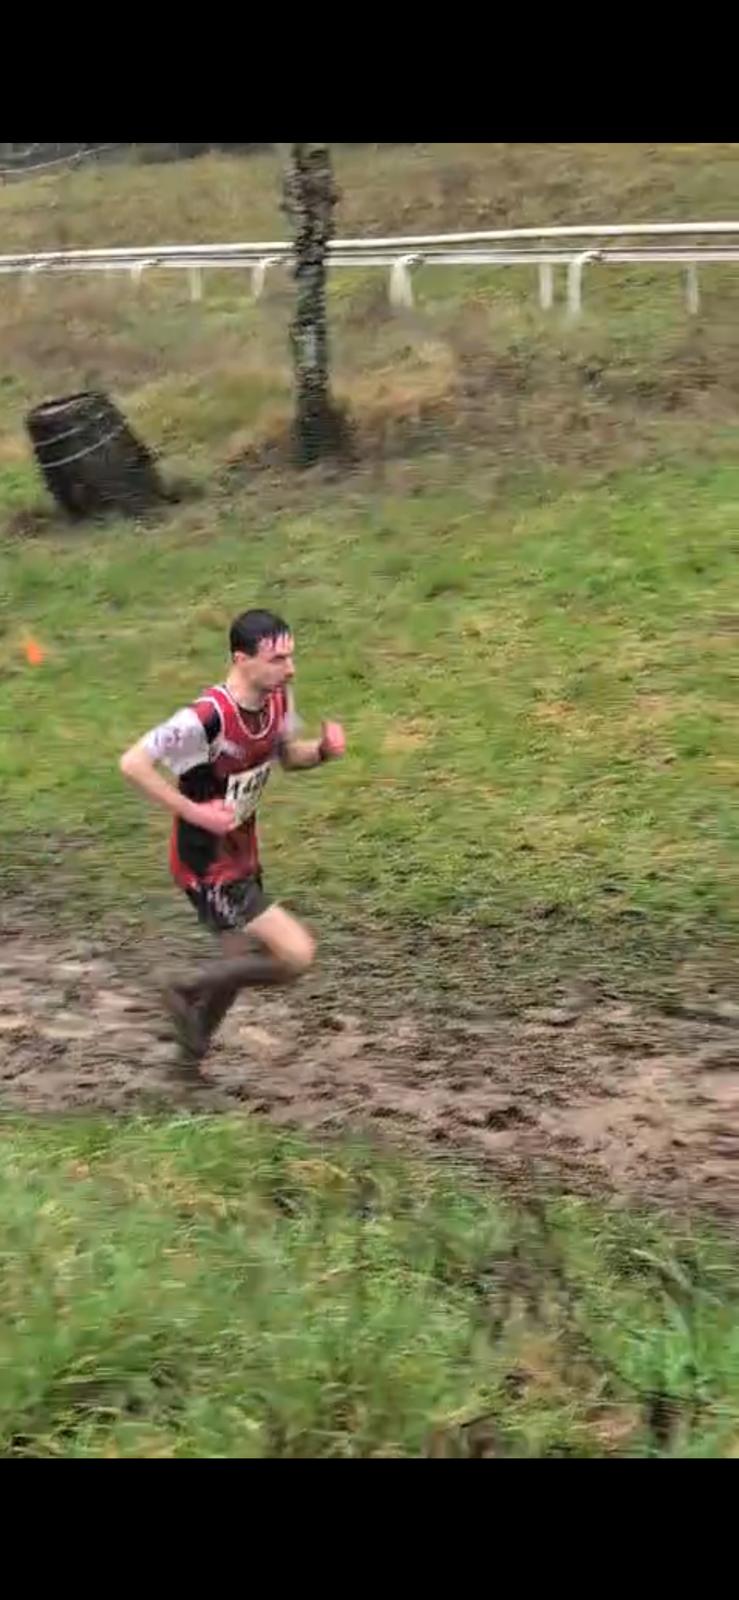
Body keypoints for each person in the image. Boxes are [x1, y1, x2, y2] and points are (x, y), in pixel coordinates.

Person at [119, 608, 346, 1076]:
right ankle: (183, 986)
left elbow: (287, 756)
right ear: (241, 659)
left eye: (291, 657)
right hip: (206, 862)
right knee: (295, 955)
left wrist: (322, 752)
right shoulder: (206, 718)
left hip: (241, 852)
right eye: (278, 659)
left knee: (235, 963)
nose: (290, 669)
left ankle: (187, 1062)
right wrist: (197, 812)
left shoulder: (276, 700)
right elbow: (132, 763)